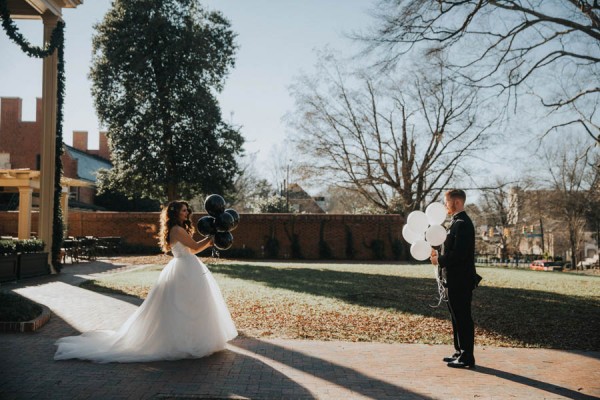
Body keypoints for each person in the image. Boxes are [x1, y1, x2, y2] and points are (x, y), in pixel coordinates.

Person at [54, 200, 238, 363]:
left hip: (188, 267)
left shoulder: (178, 229)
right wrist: (211, 238)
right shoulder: (177, 230)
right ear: (175, 213)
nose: (187, 213)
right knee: (184, 306)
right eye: (183, 210)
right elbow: (196, 247)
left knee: (191, 306)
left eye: (187, 210)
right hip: (185, 270)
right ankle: (183, 342)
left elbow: (192, 251)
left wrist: (209, 240)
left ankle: (193, 339)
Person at [430, 189, 479, 369]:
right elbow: (450, 249)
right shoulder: (456, 222)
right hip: (452, 278)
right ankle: (459, 351)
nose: (445, 205)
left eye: (446, 201)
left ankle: (467, 356)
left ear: (457, 202)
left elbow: (459, 254)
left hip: (461, 279)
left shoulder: (463, 223)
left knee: (463, 317)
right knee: (455, 316)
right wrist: (437, 252)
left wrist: (439, 260)